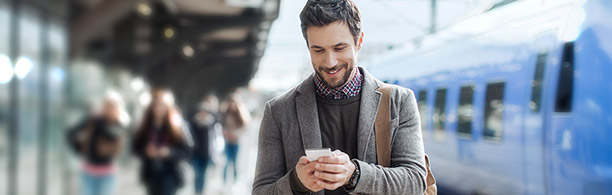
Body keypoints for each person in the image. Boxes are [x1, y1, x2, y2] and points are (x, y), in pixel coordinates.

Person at [252, 0, 427, 194]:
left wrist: (355, 175)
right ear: (308, 47)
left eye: (339, 48)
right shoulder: (278, 111)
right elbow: (261, 191)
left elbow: (416, 182)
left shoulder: (399, 102)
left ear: (359, 42)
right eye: (318, 50)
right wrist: (296, 182)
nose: (330, 62)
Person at [67, 90, 129, 195]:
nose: (108, 109)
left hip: (106, 172)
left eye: (112, 106)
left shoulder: (118, 124)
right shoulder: (93, 120)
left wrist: (99, 122)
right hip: (88, 170)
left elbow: (111, 135)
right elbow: (71, 133)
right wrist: (78, 149)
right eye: (106, 106)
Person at [132, 88, 192, 195]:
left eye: (162, 105)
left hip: (170, 172)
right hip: (151, 173)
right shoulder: (146, 126)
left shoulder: (176, 125)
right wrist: (146, 151)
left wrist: (170, 152)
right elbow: (136, 147)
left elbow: (187, 149)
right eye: (156, 105)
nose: (159, 108)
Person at [188, 95, 220, 194]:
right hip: (195, 153)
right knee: (198, 174)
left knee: (204, 175)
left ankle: (201, 191)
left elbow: (216, 135)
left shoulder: (211, 122)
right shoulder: (193, 122)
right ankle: (197, 191)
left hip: (207, 153)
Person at [221, 94, 251, 185]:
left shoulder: (240, 114)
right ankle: (225, 182)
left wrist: (235, 134)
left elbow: (244, 128)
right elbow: (221, 125)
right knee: (226, 161)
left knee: (234, 162)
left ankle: (234, 181)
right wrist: (225, 132)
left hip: (236, 141)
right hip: (227, 141)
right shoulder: (225, 113)